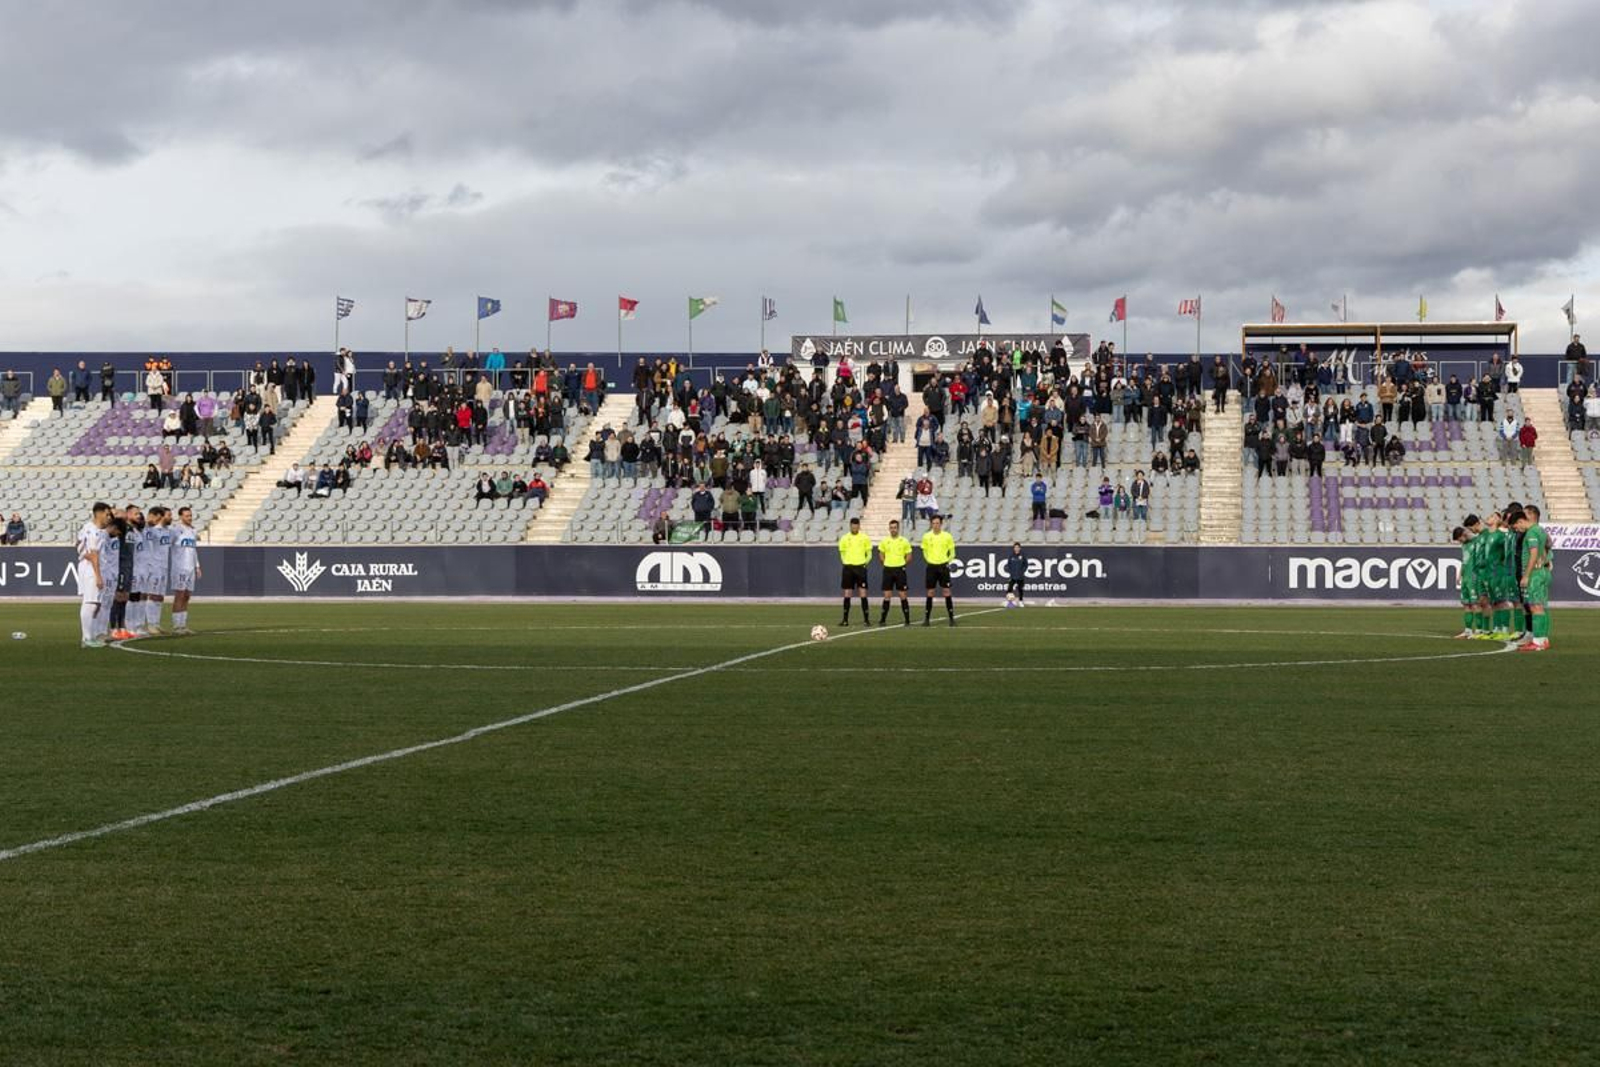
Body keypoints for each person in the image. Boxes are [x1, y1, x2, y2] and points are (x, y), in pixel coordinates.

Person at [1514, 506, 1552, 651]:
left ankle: (1538, 642)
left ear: (1529, 515)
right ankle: (1543, 639)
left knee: (1535, 607)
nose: (1517, 527)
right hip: (1541, 571)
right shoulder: (1541, 531)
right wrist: (1546, 562)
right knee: (1541, 607)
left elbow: (1534, 553)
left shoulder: (1532, 532)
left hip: (1535, 574)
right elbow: (1545, 551)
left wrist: (1526, 575)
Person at [75, 503, 112, 648]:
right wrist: (98, 576)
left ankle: (91, 636)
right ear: (99, 513)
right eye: (107, 514)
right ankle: (86, 638)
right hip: (91, 568)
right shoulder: (93, 530)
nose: (109, 517)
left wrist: (81, 551)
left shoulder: (92, 529)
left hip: (91, 567)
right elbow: (93, 555)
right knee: (90, 602)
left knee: (95, 603)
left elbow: (77, 544)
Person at [920, 513, 957, 627]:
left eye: (937, 523)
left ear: (941, 524)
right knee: (930, 592)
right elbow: (924, 551)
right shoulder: (926, 536)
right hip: (931, 567)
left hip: (943, 566)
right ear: (931, 524)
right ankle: (927, 619)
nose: (935, 525)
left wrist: (946, 560)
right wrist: (929, 560)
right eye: (933, 523)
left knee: (946, 591)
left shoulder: (947, 536)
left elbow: (952, 552)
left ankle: (951, 619)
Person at [169, 506, 201, 634]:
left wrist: (197, 566)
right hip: (179, 567)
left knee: (187, 596)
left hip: (190, 568)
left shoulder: (193, 531)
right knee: (179, 595)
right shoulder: (175, 530)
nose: (190, 518)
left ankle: (183, 625)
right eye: (187, 516)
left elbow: (193, 550)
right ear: (181, 516)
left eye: (190, 515)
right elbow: (168, 546)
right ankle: (176, 626)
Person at [876, 519, 914, 626]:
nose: (893, 530)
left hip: (899, 570)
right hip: (888, 569)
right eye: (891, 528)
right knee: (887, 595)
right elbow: (881, 553)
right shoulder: (884, 541)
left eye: (895, 527)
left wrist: (902, 564)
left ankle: (907, 620)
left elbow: (909, 555)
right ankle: (883, 620)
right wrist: (885, 562)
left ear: (898, 528)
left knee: (902, 595)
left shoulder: (904, 541)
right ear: (889, 529)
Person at [838, 516, 873, 627]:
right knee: (847, 593)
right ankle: (845, 620)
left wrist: (864, 563)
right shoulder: (844, 538)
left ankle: (866, 620)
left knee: (863, 593)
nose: (854, 527)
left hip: (860, 568)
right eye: (853, 526)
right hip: (848, 568)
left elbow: (869, 554)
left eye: (856, 526)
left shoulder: (864, 538)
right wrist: (845, 562)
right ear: (850, 526)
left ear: (859, 526)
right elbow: (842, 553)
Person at [1004, 541, 1028, 605]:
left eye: (1018, 547)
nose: (1016, 548)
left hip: (1020, 576)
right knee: (1009, 589)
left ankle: (1020, 601)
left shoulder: (1023, 556)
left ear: (1020, 548)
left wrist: (1022, 571)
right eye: (1015, 547)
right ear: (1014, 548)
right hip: (1013, 576)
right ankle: (1010, 601)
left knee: (1020, 589)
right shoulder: (1011, 556)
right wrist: (1011, 572)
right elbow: (1008, 565)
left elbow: (1026, 565)